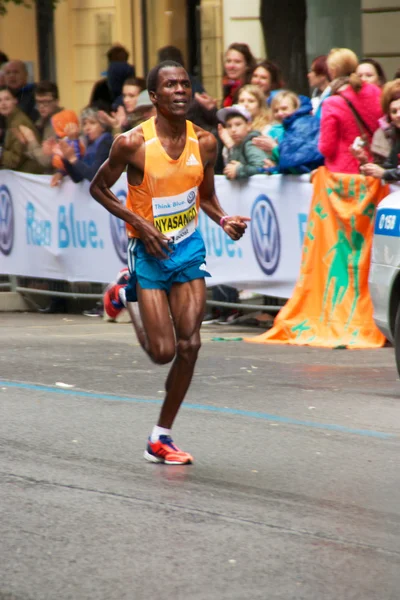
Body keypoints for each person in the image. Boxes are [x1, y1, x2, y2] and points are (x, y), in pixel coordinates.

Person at [89, 60, 250, 465]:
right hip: (147, 252)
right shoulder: (132, 144)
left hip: (187, 249)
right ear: (155, 97)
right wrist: (139, 224)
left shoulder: (207, 142)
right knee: (162, 352)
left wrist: (224, 219)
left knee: (190, 344)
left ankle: (160, 436)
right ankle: (126, 293)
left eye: (185, 84)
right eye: (170, 86)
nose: (180, 90)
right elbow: (99, 188)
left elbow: (207, 196)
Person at [318, 48, 382, 174]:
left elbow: (326, 148)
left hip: (345, 172)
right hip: (376, 166)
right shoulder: (376, 92)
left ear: (333, 71)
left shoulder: (332, 102)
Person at [53, 106, 113, 184]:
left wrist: (73, 159)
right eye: (84, 124)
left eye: (92, 123)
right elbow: (78, 177)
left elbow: (94, 176)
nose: (87, 128)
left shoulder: (106, 142)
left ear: (103, 126)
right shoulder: (88, 145)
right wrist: (66, 159)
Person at [217, 104, 269, 180]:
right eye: (229, 126)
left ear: (248, 126)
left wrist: (239, 170)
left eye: (238, 124)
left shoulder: (250, 143)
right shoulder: (236, 146)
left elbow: (262, 168)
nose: (233, 130)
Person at [361, 82, 400, 180]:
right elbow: (390, 165)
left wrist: (385, 174)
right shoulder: (397, 134)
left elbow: (386, 172)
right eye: (394, 111)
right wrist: (366, 164)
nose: (398, 115)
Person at [0, 86, 43, 173]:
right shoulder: (11, 120)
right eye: (0, 100)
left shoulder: (18, 123)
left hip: (30, 176)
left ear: (15, 101)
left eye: (7, 99)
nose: (3, 103)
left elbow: (15, 160)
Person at [222, 43, 257, 108]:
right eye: (228, 61)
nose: (231, 66)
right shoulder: (226, 86)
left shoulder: (252, 89)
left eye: (237, 62)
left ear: (247, 65)